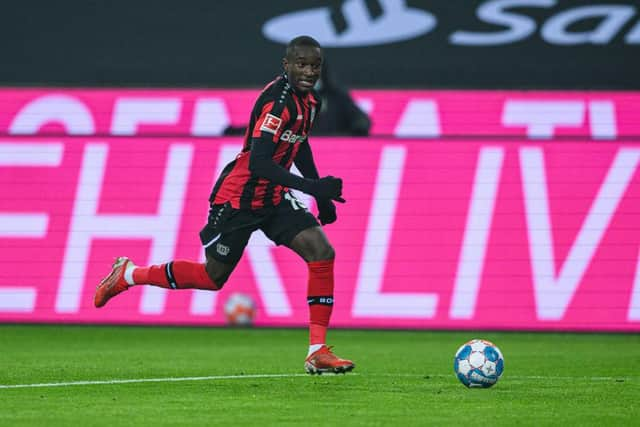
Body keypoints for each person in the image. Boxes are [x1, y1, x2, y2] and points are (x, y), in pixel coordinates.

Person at [94, 35, 355, 375]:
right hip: (238, 199)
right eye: (301, 64)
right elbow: (260, 163)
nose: (308, 71)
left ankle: (317, 350)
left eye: (315, 65)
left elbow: (299, 145)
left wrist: (321, 196)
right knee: (211, 277)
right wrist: (312, 187)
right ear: (286, 65)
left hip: (274, 198)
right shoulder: (278, 103)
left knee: (321, 252)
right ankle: (129, 274)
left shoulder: (311, 102)